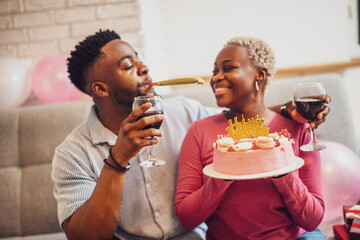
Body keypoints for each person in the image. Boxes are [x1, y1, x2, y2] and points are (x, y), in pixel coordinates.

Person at [51, 30, 330, 240]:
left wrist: (292, 112)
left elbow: (237, 118)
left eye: (139, 60)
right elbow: (85, 236)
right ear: (100, 89)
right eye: (128, 66)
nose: (144, 68)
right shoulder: (73, 153)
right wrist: (118, 158)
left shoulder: (182, 111)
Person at [174, 37, 327, 240]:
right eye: (215, 71)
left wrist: (280, 166)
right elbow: (186, 216)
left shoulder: (298, 128)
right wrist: (225, 170)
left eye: (228, 68)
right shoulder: (199, 131)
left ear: (259, 75)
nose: (217, 77)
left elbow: (312, 219)